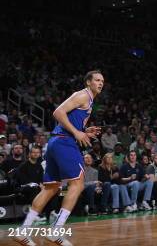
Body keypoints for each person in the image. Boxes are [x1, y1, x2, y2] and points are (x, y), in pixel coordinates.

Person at [13, 70, 103, 246]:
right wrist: (77, 132)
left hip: (56, 142)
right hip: (64, 142)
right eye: (97, 80)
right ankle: (56, 231)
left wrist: (83, 131)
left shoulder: (88, 100)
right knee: (78, 183)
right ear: (88, 82)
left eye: (102, 81)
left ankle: (23, 231)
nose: (100, 83)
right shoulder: (82, 95)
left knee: (51, 188)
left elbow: (68, 120)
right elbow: (58, 112)